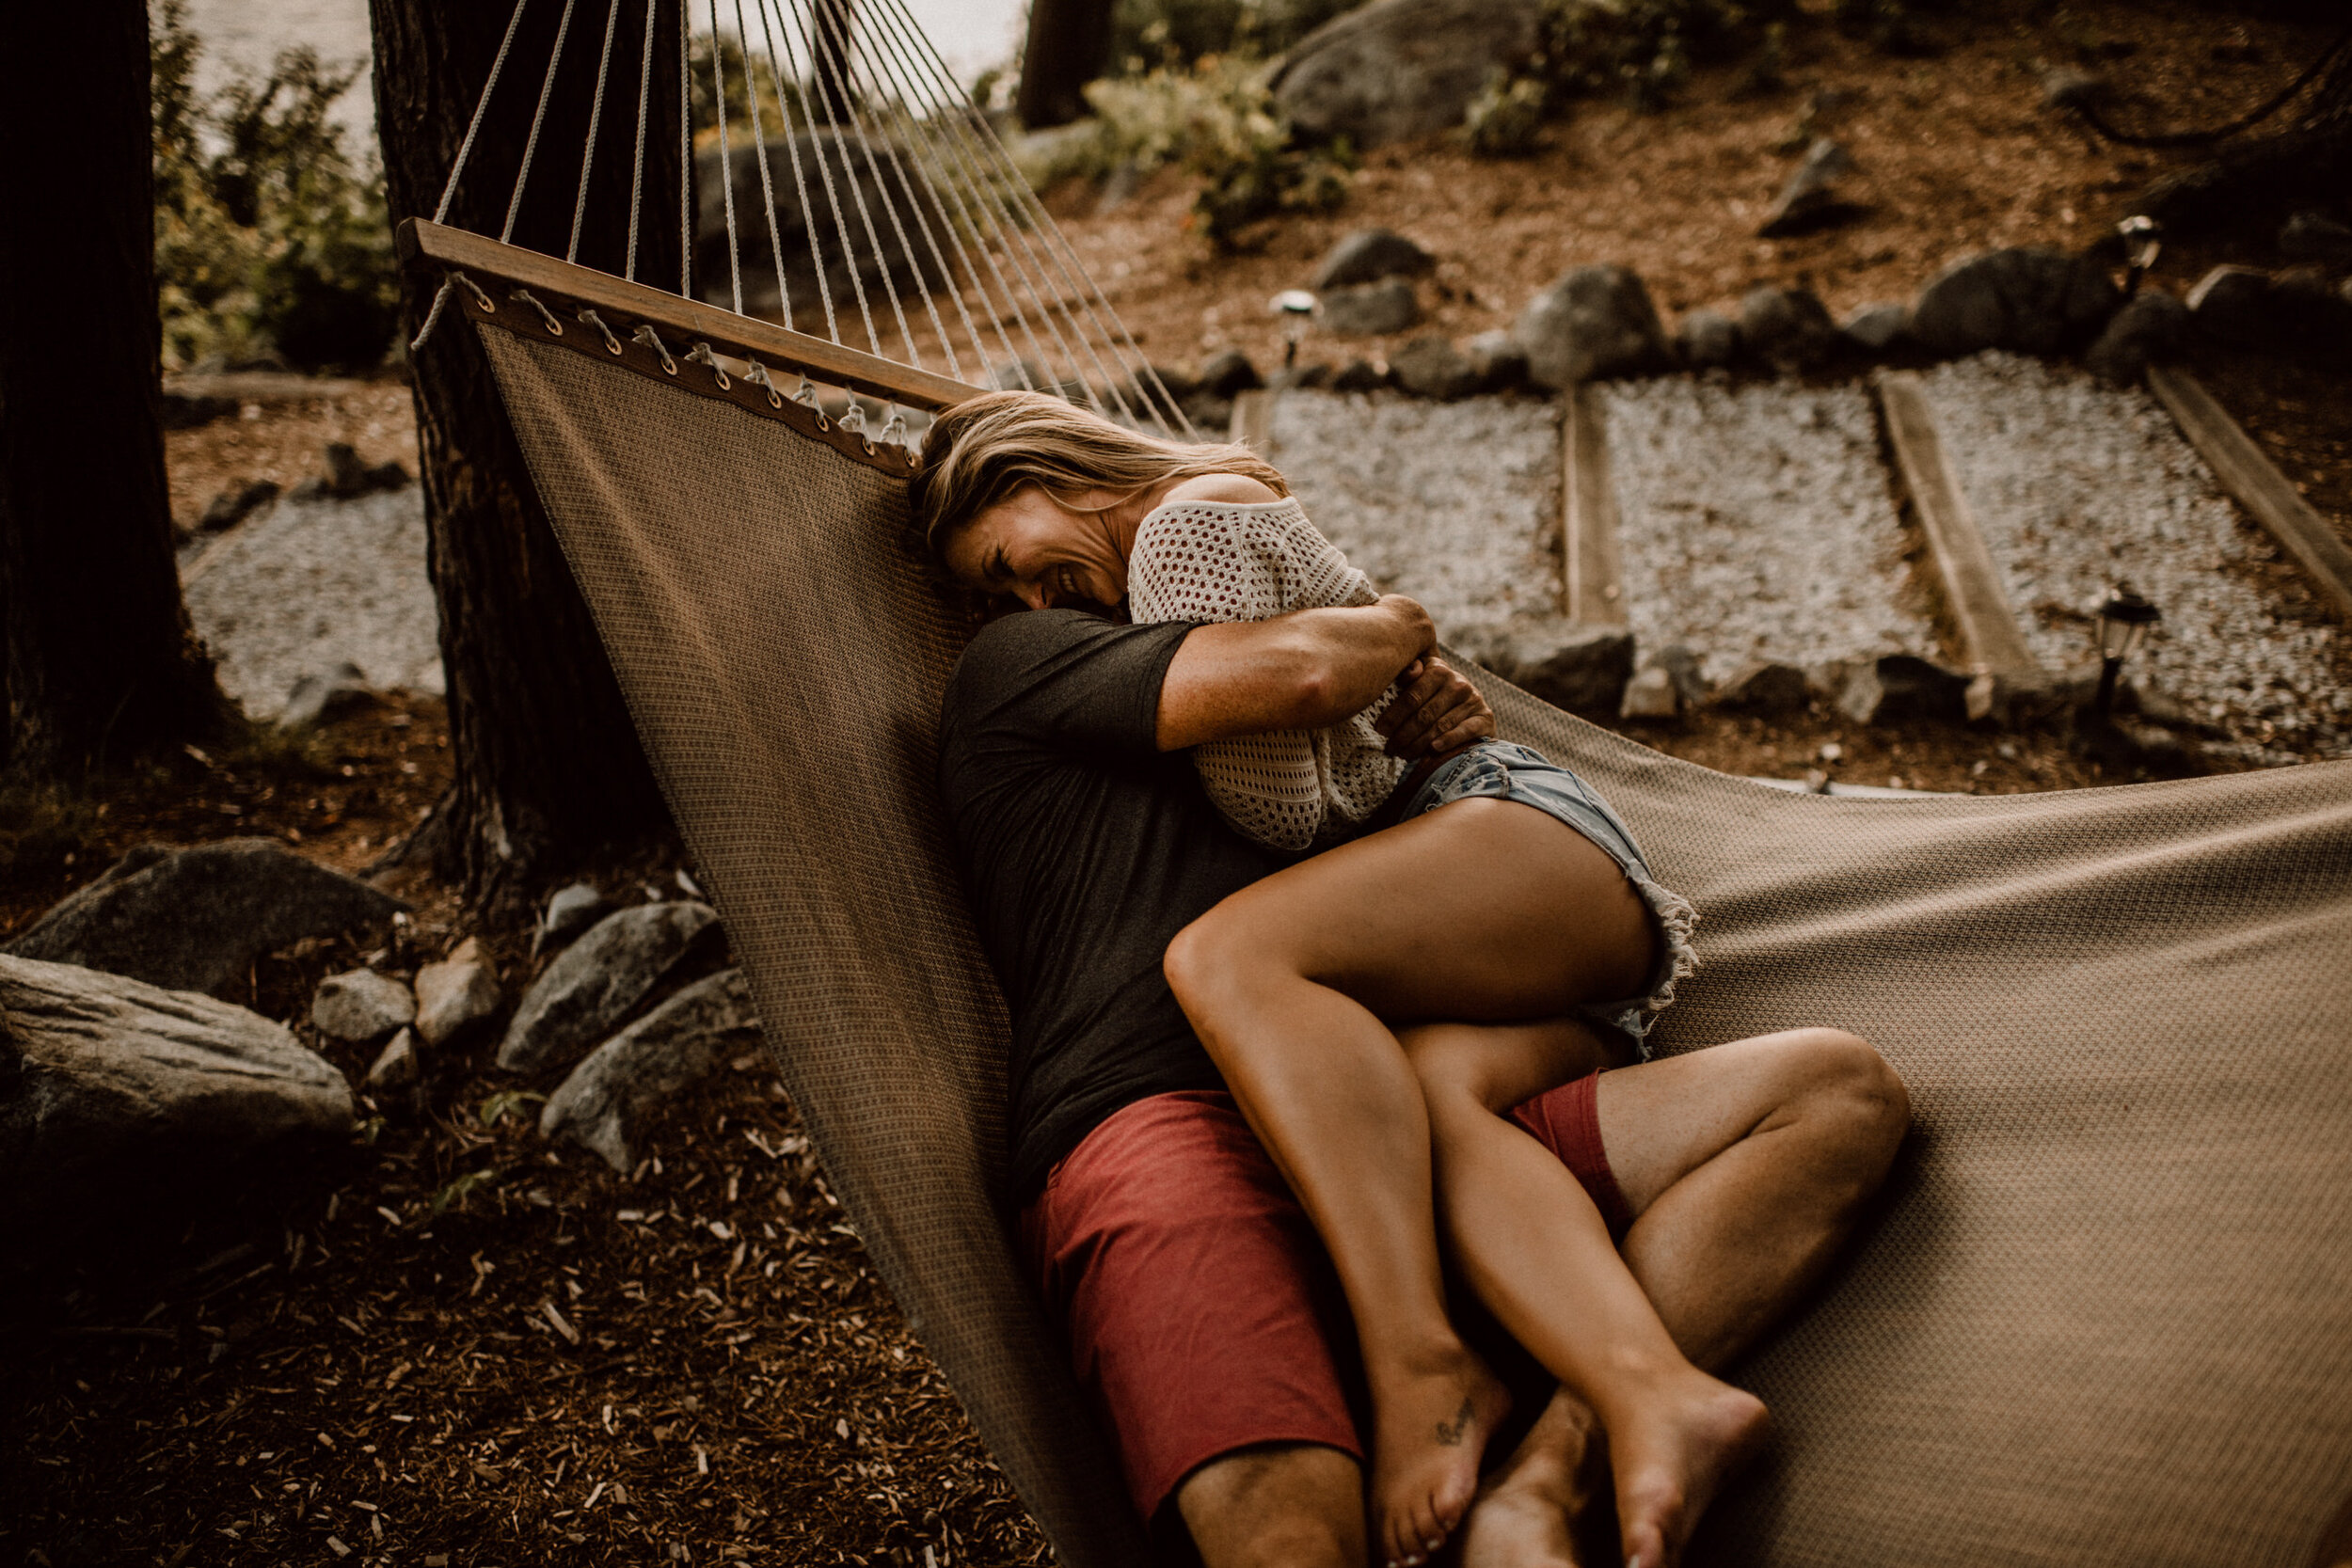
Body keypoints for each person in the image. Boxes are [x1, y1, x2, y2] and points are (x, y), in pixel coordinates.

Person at [920, 396, 1912, 1568]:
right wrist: (1391, 641)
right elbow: (1298, 676)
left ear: (1039, 468)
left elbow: (1312, 704)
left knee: (1836, 1091)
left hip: (1368, 1099)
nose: (1029, 603)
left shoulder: (1198, 592)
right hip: (1168, 1115)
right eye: (992, 597)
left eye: (1009, 565)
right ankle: (1496, 1429)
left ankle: (1526, 1441)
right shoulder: (1019, 664)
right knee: (1294, 1539)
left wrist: (1405, 692)